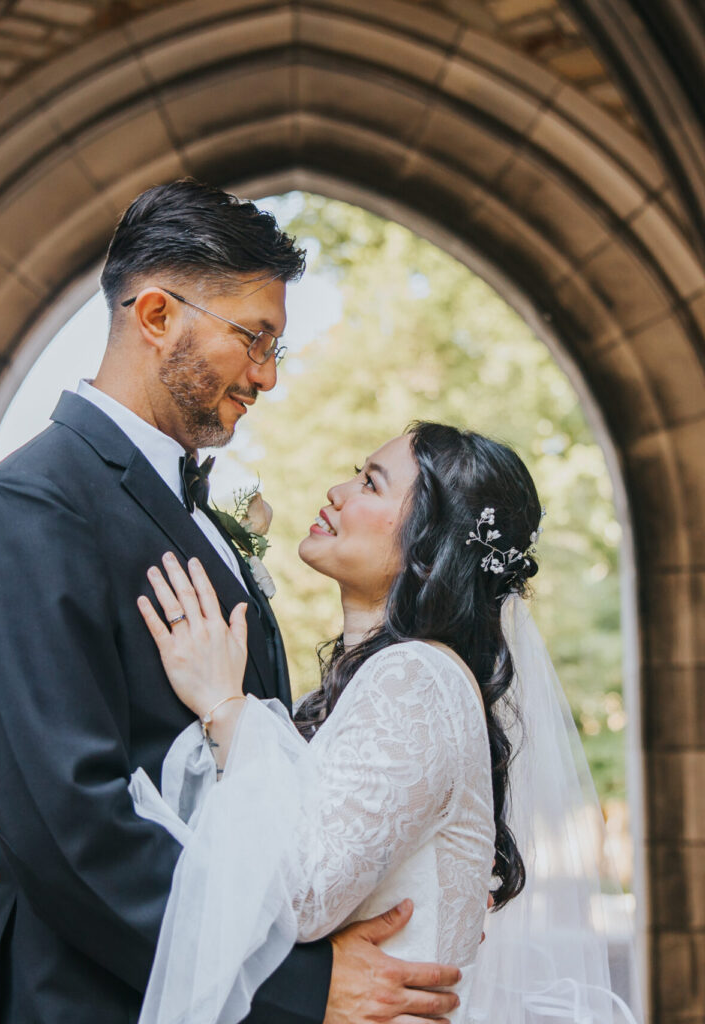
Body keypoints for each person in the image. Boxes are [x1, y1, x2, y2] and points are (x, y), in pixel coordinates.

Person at [0, 180, 464, 1023]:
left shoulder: (199, 514)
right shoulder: (33, 507)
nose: (267, 377)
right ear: (154, 316)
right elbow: (71, 829)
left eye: (275, 349)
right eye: (254, 338)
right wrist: (294, 984)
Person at [131, 423, 638, 1024]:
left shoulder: (416, 678)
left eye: (370, 483)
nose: (337, 491)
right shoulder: (389, 680)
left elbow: (305, 894)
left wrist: (225, 706)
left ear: (430, 548)